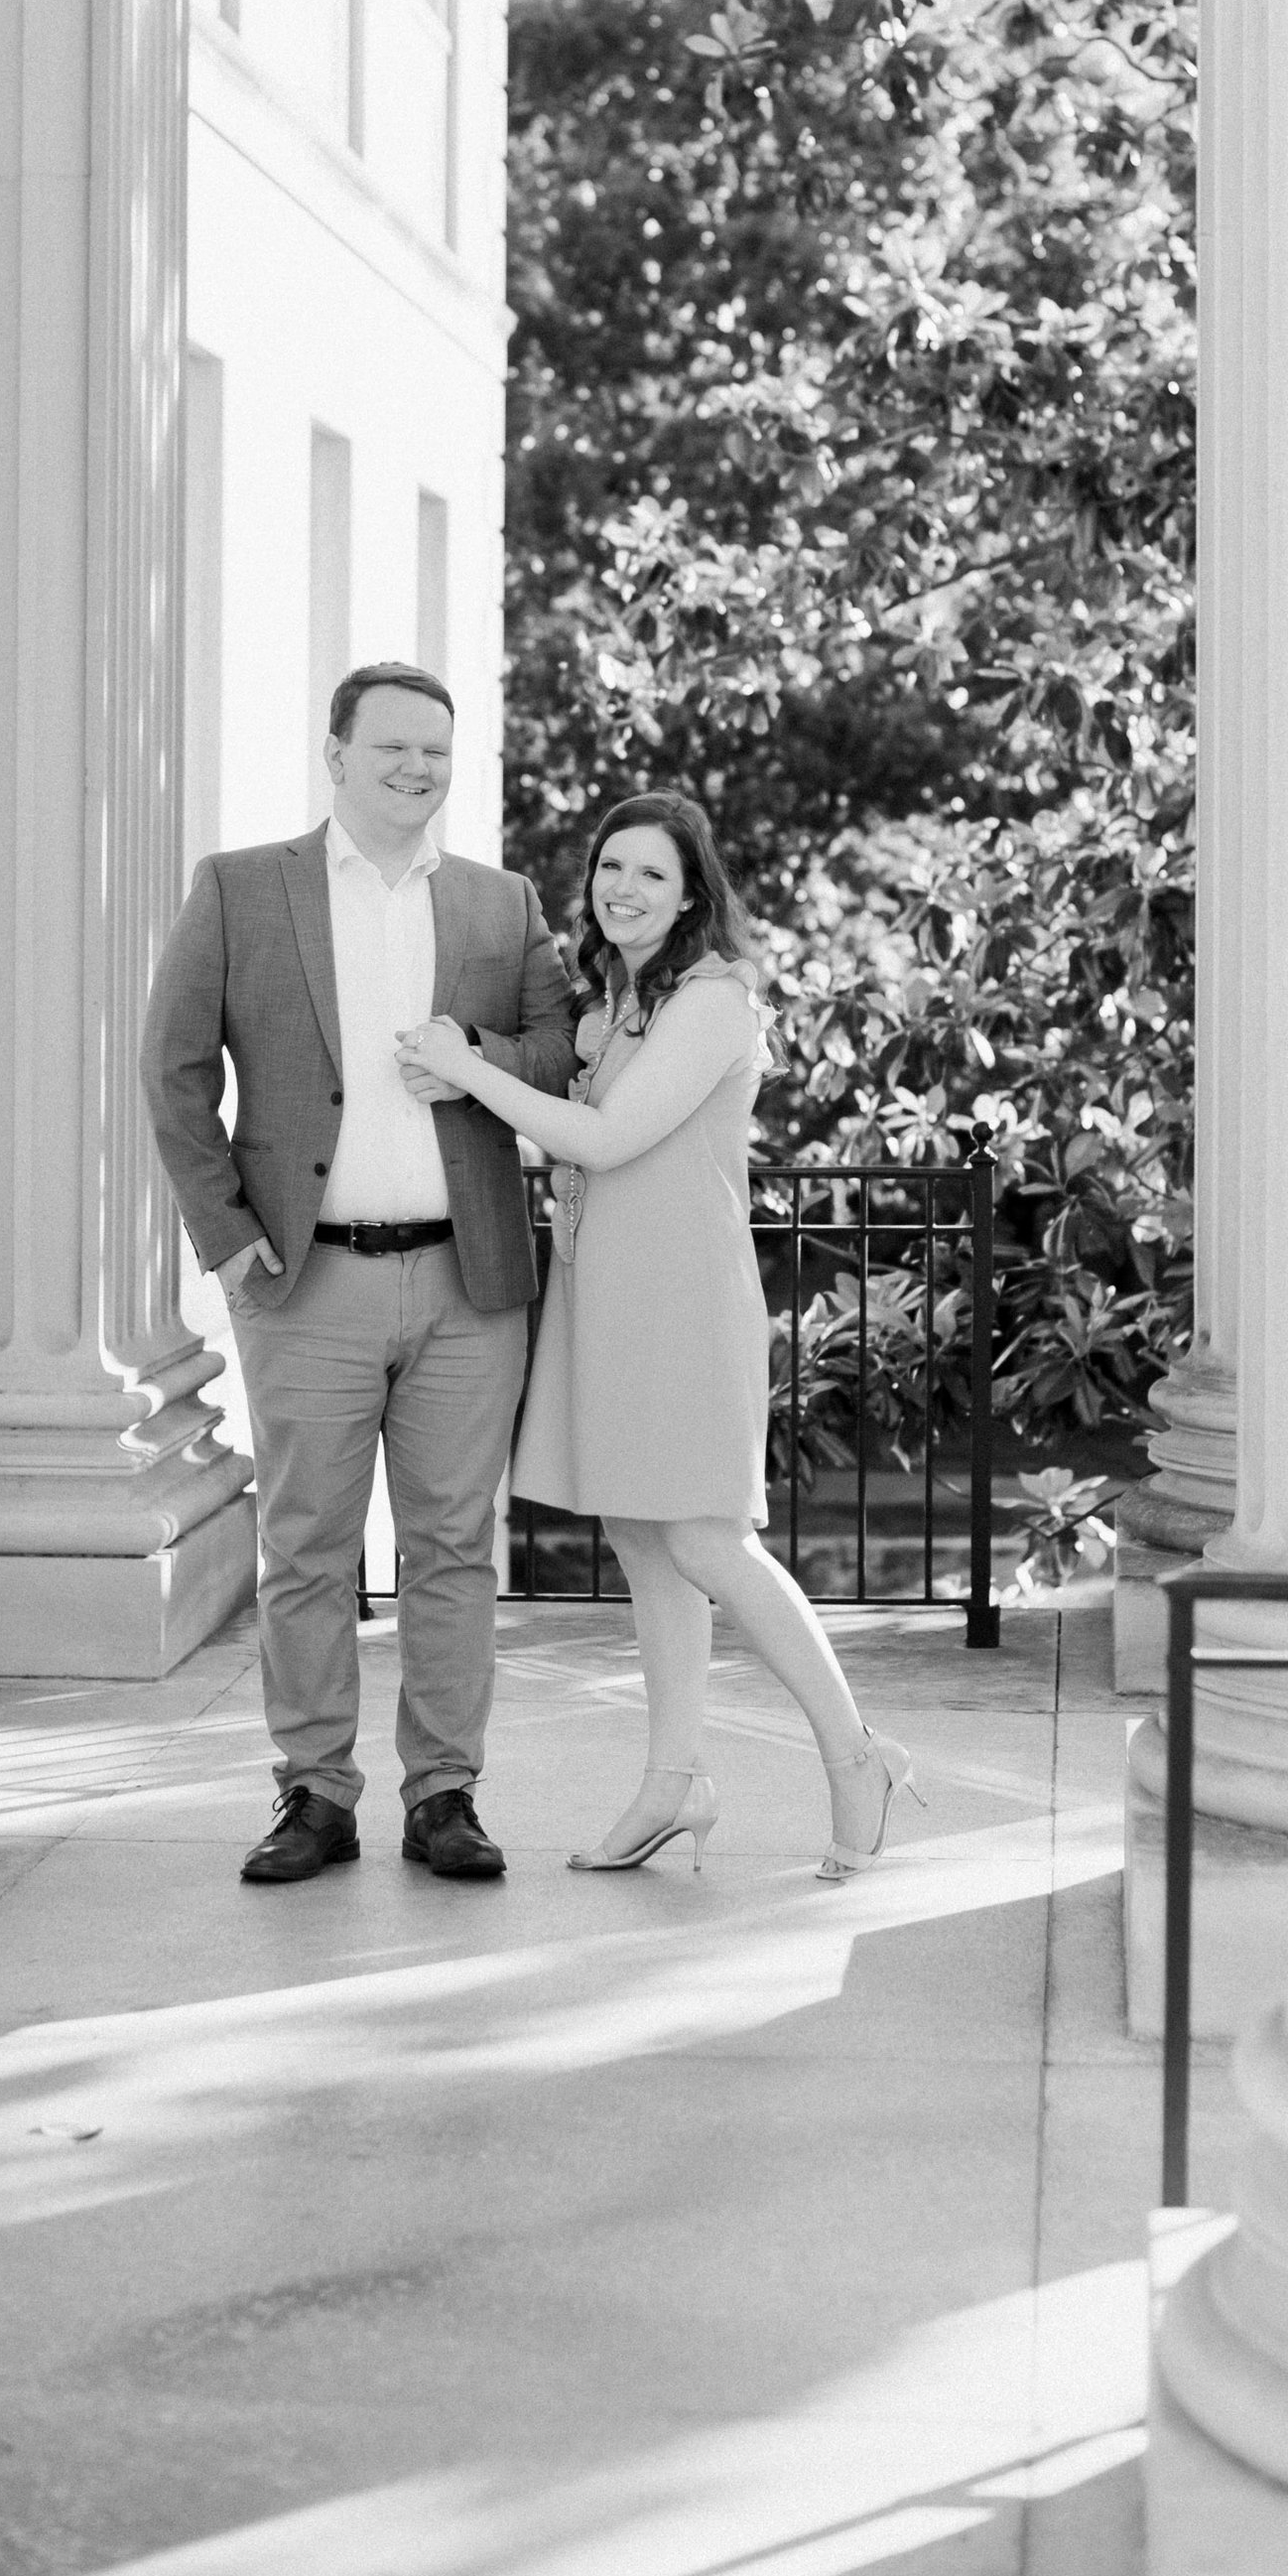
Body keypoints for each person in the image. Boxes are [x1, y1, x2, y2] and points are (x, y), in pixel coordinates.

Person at [394, 790, 924, 1886]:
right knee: (642, 1543)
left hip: (683, 1303)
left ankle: (856, 1755)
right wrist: (487, 1058)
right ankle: (672, 1781)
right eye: (609, 868)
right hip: (604, 1297)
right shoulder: (613, 1004)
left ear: (692, 897)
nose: (622, 889)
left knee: (704, 1541)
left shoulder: (713, 1002)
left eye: (651, 874)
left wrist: (463, 1071)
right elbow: (570, 1124)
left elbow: (603, 1136)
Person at [140, 664, 576, 1887]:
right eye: (390, 747)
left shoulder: (502, 906)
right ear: (335, 755)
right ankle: (313, 1792)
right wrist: (225, 1236)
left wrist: (478, 1056)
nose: (415, 770)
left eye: (435, 751)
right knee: (309, 1548)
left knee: (452, 1547)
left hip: (465, 1279)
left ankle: (446, 1794)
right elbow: (172, 1071)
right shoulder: (240, 890)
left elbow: (556, 1049)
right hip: (306, 1281)